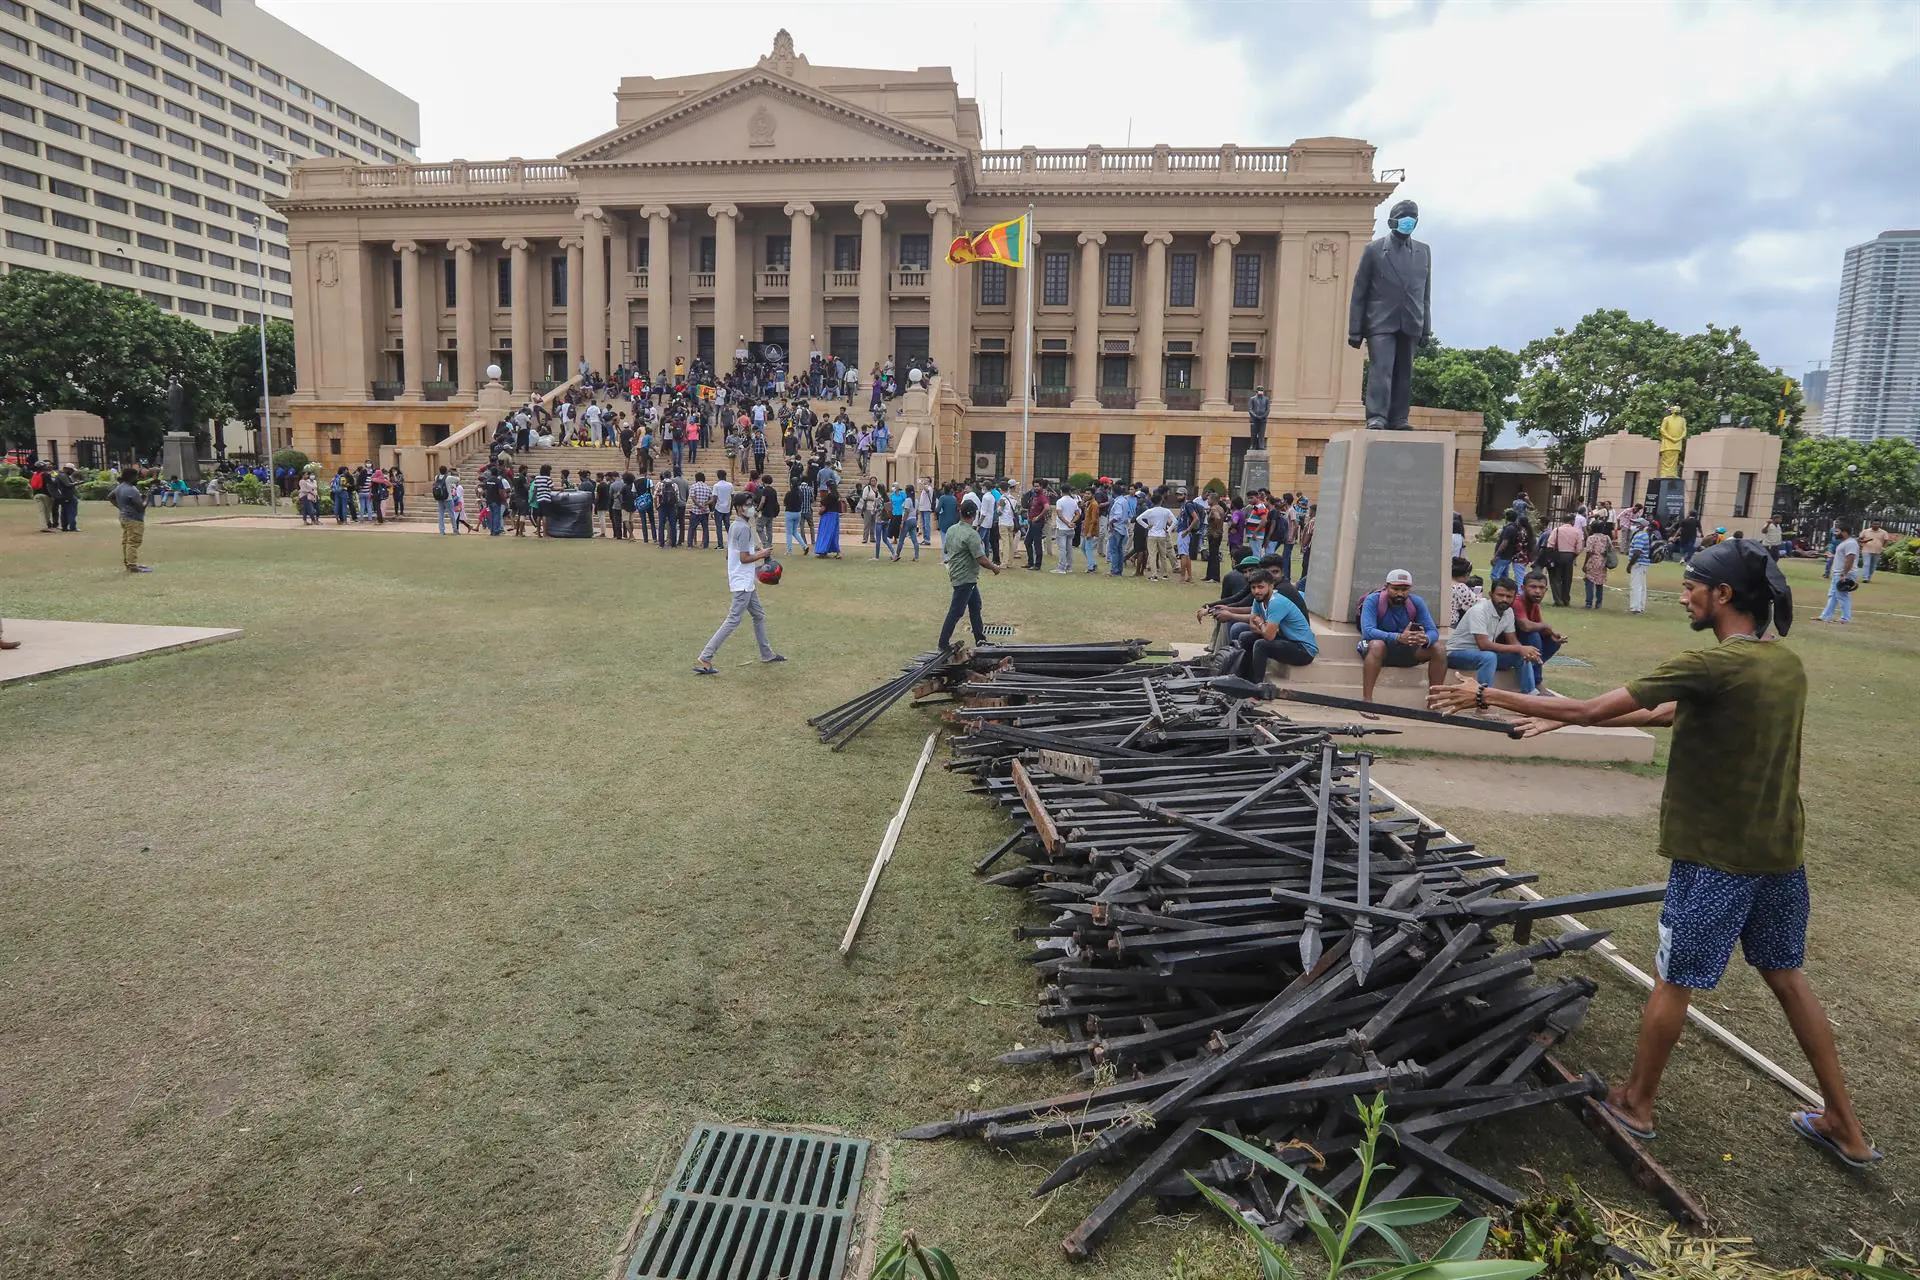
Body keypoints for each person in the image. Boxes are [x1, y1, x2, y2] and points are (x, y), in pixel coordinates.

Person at [1430, 538, 1881, 1170]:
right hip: (1778, 852)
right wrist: (1568, 721)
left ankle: (1637, 1103)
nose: (1685, 592)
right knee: (1786, 975)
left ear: (1724, 596)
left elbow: (1597, 702)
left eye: (1695, 584)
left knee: (1674, 978)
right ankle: (1844, 1123)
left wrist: (1488, 696)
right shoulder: (1783, 665)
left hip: (1714, 858)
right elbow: (1673, 714)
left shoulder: (1710, 664)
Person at [692, 502, 785, 675]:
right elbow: (744, 558)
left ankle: (766, 654)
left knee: (758, 615)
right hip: (742, 582)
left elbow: (730, 553)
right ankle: (706, 657)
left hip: (745, 580)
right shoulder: (742, 528)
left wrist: (757, 549)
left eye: (752, 504)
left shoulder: (737, 525)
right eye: (747, 505)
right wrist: (762, 554)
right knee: (733, 619)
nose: (751, 508)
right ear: (739, 508)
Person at [1355, 568, 1447, 700]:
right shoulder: (1373, 600)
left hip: (1407, 650)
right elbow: (1368, 631)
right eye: (1395, 589)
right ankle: (1367, 700)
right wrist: (1398, 637)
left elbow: (1433, 631)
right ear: (1386, 587)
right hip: (1381, 650)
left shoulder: (1416, 602)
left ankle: (1434, 702)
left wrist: (1425, 638)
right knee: (1376, 645)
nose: (1400, 593)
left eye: (1404, 590)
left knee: (1439, 649)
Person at [1445, 575, 1537, 691]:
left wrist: (1526, 652)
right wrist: (1519, 649)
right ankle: (1483, 698)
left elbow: (1512, 641)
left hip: (1483, 655)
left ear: (1514, 597)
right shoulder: (1479, 611)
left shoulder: (1508, 612)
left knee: (1522, 656)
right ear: (1491, 594)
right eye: (1500, 595)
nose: (1504, 599)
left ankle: (1530, 695)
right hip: (1456, 654)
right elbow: (1484, 645)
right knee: (1489, 657)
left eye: (1509, 596)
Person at [1223, 570, 1317, 678]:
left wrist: (1261, 623)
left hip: (1303, 650)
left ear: (1271, 586)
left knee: (1261, 645)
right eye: (1253, 588)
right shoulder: (1258, 599)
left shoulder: (1276, 602)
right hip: (1287, 640)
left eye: (1260, 587)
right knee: (1245, 637)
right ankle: (1244, 678)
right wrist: (1263, 627)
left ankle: (1258, 686)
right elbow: (1252, 626)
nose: (1256, 591)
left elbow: (1268, 636)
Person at [937, 495, 1001, 652]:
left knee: (975, 605)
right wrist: (994, 567)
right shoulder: (972, 535)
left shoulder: (952, 530)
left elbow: (947, 550)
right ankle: (943, 644)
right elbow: (981, 559)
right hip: (965, 578)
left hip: (959, 574)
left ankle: (980, 639)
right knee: (956, 611)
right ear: (974, 515)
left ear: (961, 512)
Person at [1512, 571, 1564, 691]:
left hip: (1524, 642)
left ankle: (1530, 668)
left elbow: (1540, 627)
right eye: (1533, 587)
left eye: (1541, 588)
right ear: (1523, 588)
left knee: (1553, 641)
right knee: (1534, 636)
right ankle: (1536, 681)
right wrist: (1545, 626)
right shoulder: (1517, 601)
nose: (1537, 591)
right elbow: (1525, 626)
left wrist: (1552, 633)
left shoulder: (1534, 604)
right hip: (1510, 643)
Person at [108, 467, 152, 573]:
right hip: (134, 519)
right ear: (131, 477)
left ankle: (129, 563)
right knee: (133, 542)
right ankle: (132, 565)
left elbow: (110, 496)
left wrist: (121, 507)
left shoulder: (120, 487)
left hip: (124, 517)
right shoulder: (132, 490)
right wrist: (146, 498)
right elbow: (141, 508)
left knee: (126, 541)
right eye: (136, 476)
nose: (137, 478)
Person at [1816, 521, 1859, 624]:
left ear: (1844, 532)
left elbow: (1851, 558)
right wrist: (1832, 556)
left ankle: (1845, 618)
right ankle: (1825, 616)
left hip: (1844, 573)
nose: (1835, 533)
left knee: (1842, 596)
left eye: (1837, 531)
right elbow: (1845, 557)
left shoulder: (1850, 543)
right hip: (1838, 573)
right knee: (1833, 595)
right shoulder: (1845, 543)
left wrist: (1844, 574)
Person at [1543, 513, 1582, 608]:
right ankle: (1566, 599)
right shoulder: (1577, 532)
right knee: (1567, 579)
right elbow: (1579, 548)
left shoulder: (1557, 530)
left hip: (1558, 555)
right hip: (1570, 556)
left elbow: (1550, 544)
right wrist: (1573, 556)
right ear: (1572, 521)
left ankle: (1558, 599)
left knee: (1556, 578)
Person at [1137, 494, 1177, 581]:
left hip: (1152, 535)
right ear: (1161, 501)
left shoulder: (1150, 511)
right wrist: (1168, 530)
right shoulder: (1166, 511)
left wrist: (1147, 526)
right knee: (1163, 555)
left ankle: (1154, 574)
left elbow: (1138, 519)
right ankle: (1164, 574)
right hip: (1162, 534)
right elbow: (1175, 521)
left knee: (1152, 555)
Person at [1582, 520, 1614, 608]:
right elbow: (1610, 549)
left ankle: (1589, 602)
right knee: (1600, 583)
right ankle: (1598, 603)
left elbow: (1589, 551)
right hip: (1602, 562)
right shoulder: (1607, 538)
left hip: (1592, 561)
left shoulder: (1591, 538)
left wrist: (1585, 564)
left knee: (1589, 582)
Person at [1051, 484, 1080, 573]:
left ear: (1061, 491)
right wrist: (1072, 522)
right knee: (1069, 548)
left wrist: (1067, 523)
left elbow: (1060, 515)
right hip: (1071, 529)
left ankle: (1061, 567)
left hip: (1062, 528)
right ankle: (1069, 566)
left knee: (1062, 549)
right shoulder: (1073, 501)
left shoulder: (1060, 501)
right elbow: (1078, 514)